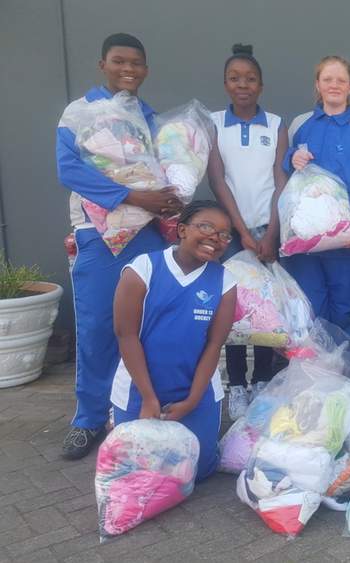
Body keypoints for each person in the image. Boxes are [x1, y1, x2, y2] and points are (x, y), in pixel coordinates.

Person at [56, 33, 180, 459]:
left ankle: (132, 411)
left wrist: (171, 195)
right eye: (119, 61)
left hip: (146, 234)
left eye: (136, 63)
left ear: (146, 69)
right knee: (96, 325)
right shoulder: (81, 112)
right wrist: (132, 196)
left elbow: (164, 172)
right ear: (102, 64)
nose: (128, 69)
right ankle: (88, 418)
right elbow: (69, 168)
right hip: (97, 232)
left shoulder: (149, 117)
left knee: (145, 326)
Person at [110, 201, 237, 482]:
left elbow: (214, 345)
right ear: (182, 230)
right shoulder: (143, 268)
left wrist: (191, 402)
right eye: (206, 227)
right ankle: (117, 416)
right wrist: (149, 398)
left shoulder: (225, 281)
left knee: (196, 472)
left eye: (224, 234)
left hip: (196, 391)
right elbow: (126, 335)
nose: (215, 238)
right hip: (139, 389)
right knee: (135, 471)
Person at [206, 43, 289, 419]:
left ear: (261, 85)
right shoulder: (213, 123)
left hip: (270, 228)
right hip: (229, 233)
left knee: (268, 308)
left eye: (250, 79)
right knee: (235, 309)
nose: (243, 85)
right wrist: (240, 231)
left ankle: (263, 379)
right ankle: (237, 383)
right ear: (225, 83)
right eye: (235, 78)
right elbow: (217, 179)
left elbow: (280, 179)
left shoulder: (275, 124)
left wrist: (271, 233)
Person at [284, 55, 350, 338]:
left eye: (341, 80)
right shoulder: (299, 125)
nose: (334, 85)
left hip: (347, 243)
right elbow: (283, 172)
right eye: (327, 79)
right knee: (309, 308)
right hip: (304, 240)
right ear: (317, 84)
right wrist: (292, 157)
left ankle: (344, 367)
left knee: (344, 310)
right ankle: (314, 366)